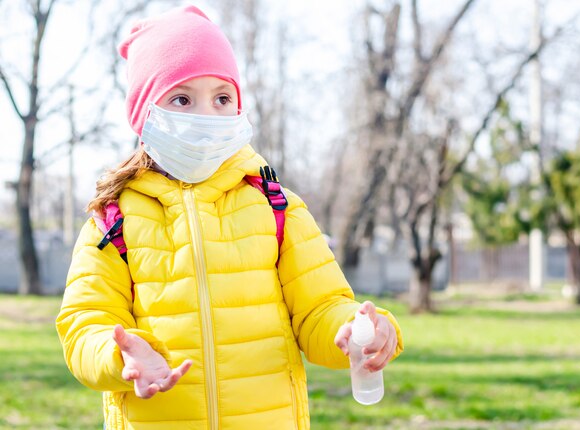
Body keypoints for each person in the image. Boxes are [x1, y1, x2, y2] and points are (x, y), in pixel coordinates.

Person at [56, 5, 403, 430]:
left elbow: (319, 310)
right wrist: (119, 355)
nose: (207, 115)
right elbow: (84, 324)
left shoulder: (278, 207)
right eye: (182, 98)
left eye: (223, 98)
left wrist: (354, 330)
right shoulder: (112, 221)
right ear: (144, 113)